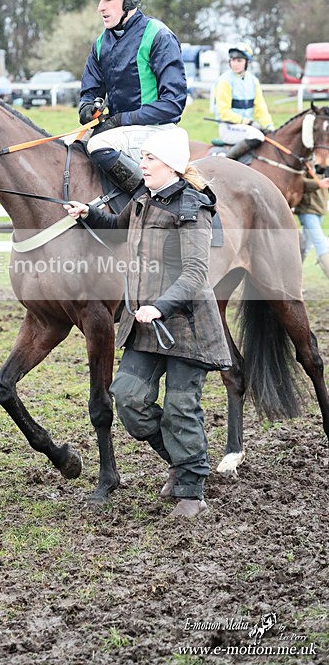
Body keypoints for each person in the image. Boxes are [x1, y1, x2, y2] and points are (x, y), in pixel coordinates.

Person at [64, 126, 231, 518]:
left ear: (171, 165)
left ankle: (192, 492)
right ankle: (179, 461)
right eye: (143, 158)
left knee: (180, 407)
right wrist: (89, 214)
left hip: (186, 324)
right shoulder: (142, 197)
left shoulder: (192, 208)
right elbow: (119, 228)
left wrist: (159, 306)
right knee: (128, 399)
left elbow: (194, 274)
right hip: (144, 325)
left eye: (150, 159)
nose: (142, 164)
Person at [78, 0, 187, 197]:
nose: (101, 8)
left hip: (157, 132)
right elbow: (90, 92)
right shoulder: (100, 44)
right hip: (120, 134)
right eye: (99, 0)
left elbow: (173, 105)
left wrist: (120, 120)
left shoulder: (158, 36)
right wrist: (87, 108)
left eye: (108, 0)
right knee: (69, 149)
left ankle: (147, 201)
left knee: (98, 145)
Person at [213, 42, 275, 161]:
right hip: (229, 128)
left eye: (239, 60)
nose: (235, 64)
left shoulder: (253, 81)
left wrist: (269, 126)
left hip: (245, 127)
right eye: (233, 60)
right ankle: (227, 160)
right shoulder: (224, 81)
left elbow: (260, 108)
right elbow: (224, 112)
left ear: (248, 62)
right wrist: (247, 122)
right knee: (256, 136)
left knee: (268, 136)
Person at [295, 174, 329, 278]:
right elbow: (300, 182)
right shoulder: (305, 162)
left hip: (320, 210)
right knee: (321, 244)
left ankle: (293, 279)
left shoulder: (323, 166)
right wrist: (319, 184)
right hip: (307, 211)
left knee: (305, 246)